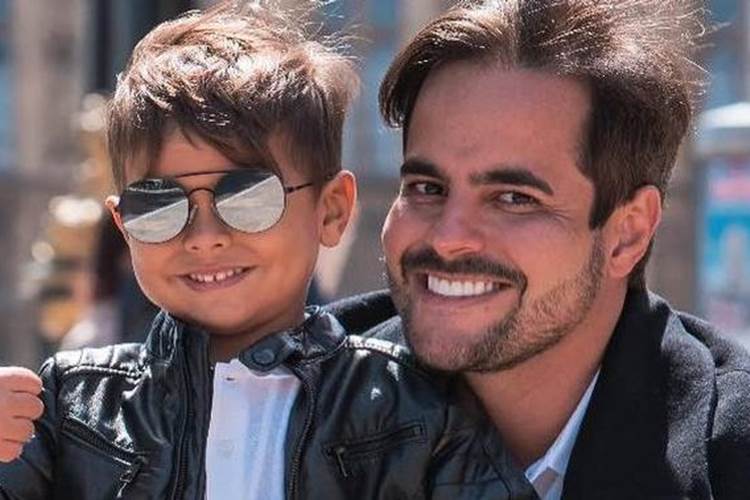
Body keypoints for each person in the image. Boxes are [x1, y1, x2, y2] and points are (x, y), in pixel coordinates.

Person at [0, 2, 536, 499]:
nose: (204, 236)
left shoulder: (412, 408)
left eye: (249, 198)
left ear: (331, 211)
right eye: (159, 205)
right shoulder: (70, 405)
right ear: (123, 225)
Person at [328, 0, 750, 499]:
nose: (446, 237)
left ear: (628, 234)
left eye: (513, 199)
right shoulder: (299, 411)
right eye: (427, 188)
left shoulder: (730, 457)